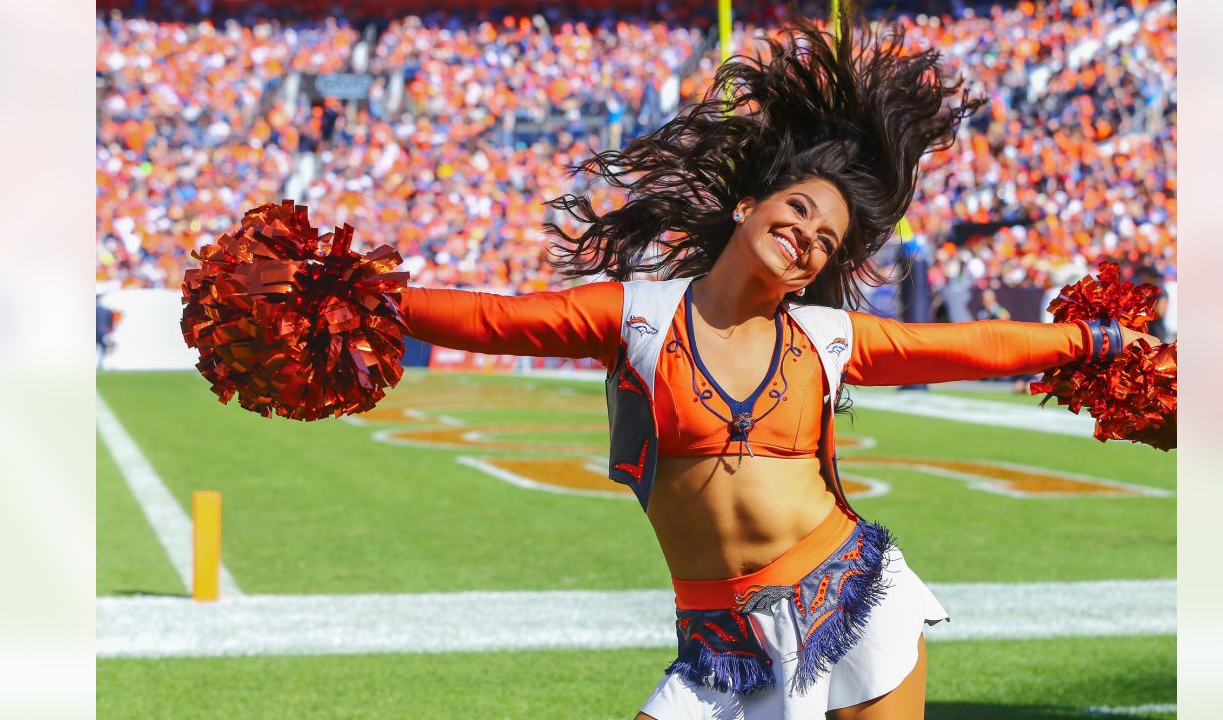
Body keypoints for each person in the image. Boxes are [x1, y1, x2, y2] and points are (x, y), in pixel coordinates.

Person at [398, 9, 1159, 719]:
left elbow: (968, 346)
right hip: (717, 642)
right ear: (748, 207)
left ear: (812, 273)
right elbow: (492, 318)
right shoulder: (634, 315)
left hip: (851, 601)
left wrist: (1099, 344)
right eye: (797, 210)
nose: (806, 235)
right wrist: (359, 296)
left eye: (825, 240)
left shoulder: (824, 337)